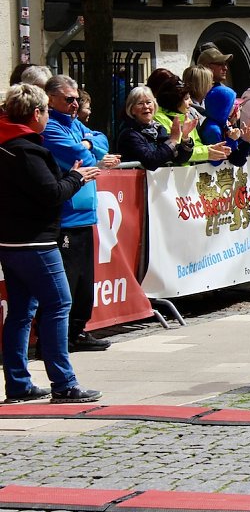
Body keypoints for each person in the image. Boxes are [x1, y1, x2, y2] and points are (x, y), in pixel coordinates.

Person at [0, 84, 104, 403]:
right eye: (45, 110)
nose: (48, 116)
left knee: (21, 310)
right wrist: (76, 178)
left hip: (11, 240)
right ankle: (64, 383)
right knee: (59, 304)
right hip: (35, 241)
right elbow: (49, 194)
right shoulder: (26, 149)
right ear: (36, 114)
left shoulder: (8, 144)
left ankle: (18, 383)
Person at [42, 75, 119, 352]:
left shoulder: (73, 123)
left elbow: (102, 141)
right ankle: (57, 339)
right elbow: (81, 155)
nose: (75, 104)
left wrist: (88, 143)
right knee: (68, 282)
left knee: (85, 281)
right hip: (67, 215)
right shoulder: (50, 126)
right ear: (50, 99)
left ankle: (78, 331)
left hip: (86, 214)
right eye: (69, 99)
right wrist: (88, 145)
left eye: (76, 99)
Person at [151, 73, 230, 164]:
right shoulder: (158, 118)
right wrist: (206, 152)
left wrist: (209, 149)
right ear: (174, 100)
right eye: (186, 98)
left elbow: (196, 144)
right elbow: (174, 151)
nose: (190, 102)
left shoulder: (185, 117)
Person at [115, 86, 196, 170]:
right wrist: (172, 141)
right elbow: (151, 161)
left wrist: (185, 137)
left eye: (149, 102)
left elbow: (179, 159)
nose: (146, 107)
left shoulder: (159, 129)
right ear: (132, 110)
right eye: (140, 103)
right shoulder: (129, 134)